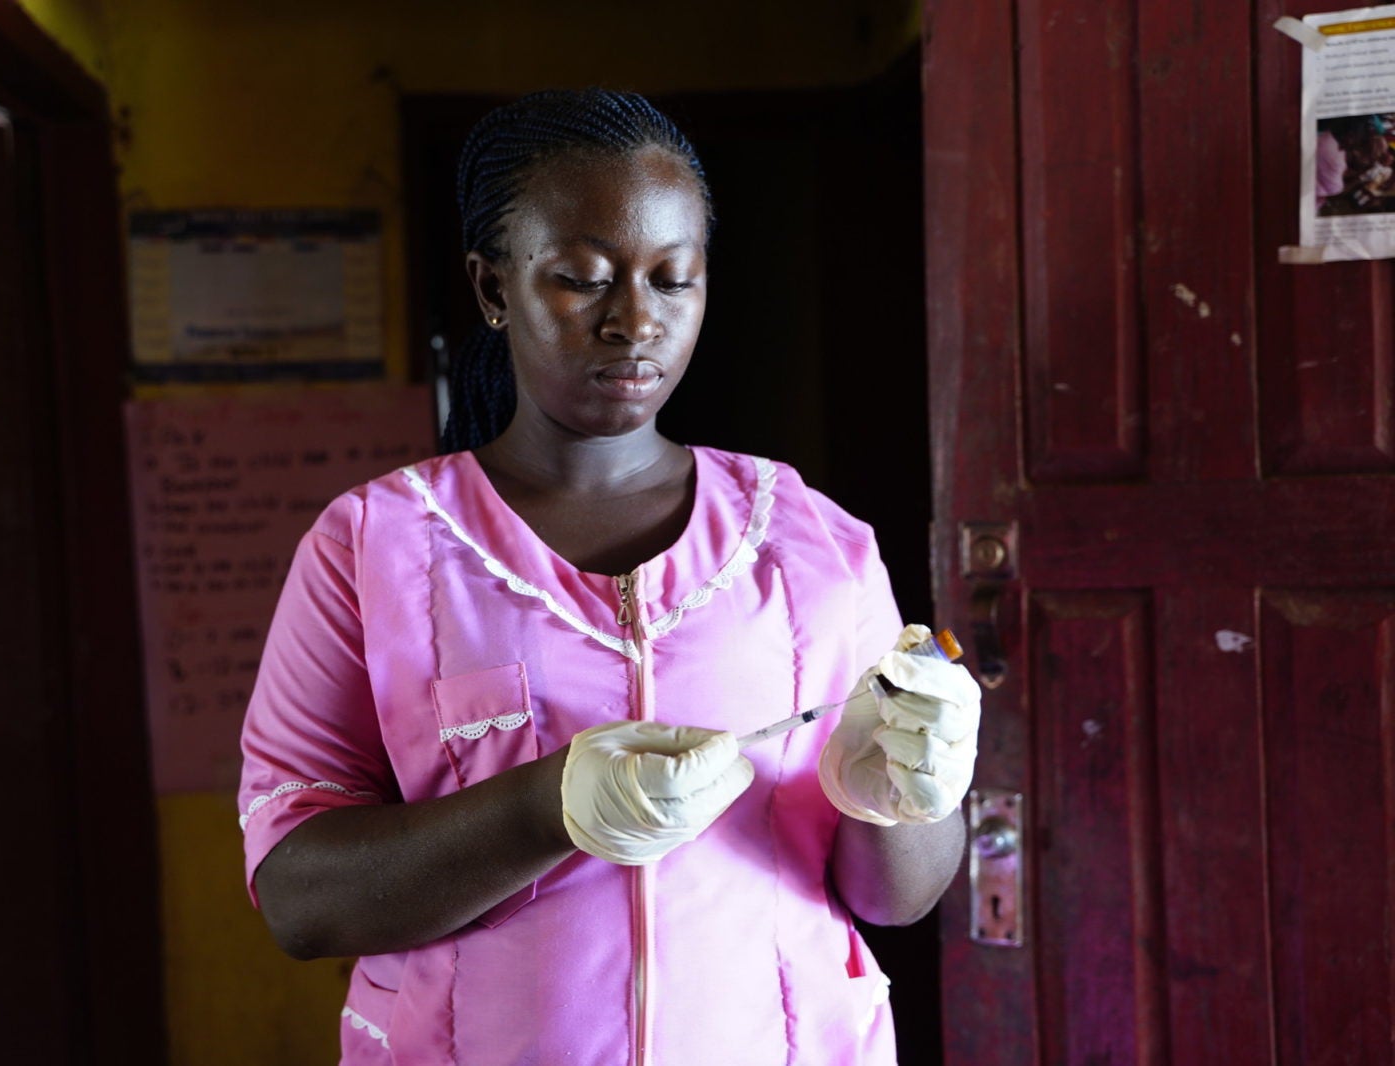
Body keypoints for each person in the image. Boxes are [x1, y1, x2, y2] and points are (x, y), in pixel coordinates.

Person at [238, 88, 981, 1065]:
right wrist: (544, 807)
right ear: (494, 288)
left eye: (674, 280)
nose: (634, 320)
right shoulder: (372, 549)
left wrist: (906, 797)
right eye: (582, 279)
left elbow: (896, 894)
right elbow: (298, 895)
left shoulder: (810, 544)